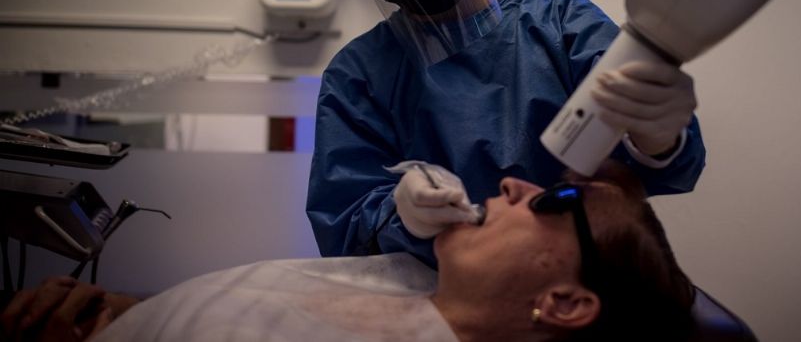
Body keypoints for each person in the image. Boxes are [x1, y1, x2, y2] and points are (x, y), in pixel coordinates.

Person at [307, 0, 707, 266]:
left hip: (581, 273)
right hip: (445, 292)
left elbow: (656, 167)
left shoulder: (561, 22)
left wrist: (657, 138)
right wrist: (401, 215)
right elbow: (345, 227)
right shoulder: (359, 75)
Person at [0, 164, 694, 342]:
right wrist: (132, 313)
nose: (515, 181)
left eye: (553, 202)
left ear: (565, 302)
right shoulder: (403, 283)